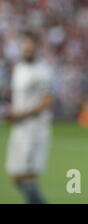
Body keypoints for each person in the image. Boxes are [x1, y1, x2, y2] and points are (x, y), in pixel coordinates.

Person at [3, 31, 54, 204]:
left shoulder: (43, 71)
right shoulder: (19, 68)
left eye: (30, 47)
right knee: (16, 175)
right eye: (24, 46)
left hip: (34, 129)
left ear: (37, 47)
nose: (27, 50)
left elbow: (47, 102)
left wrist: (20, 114)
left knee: (28, 176)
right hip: (19, 129)